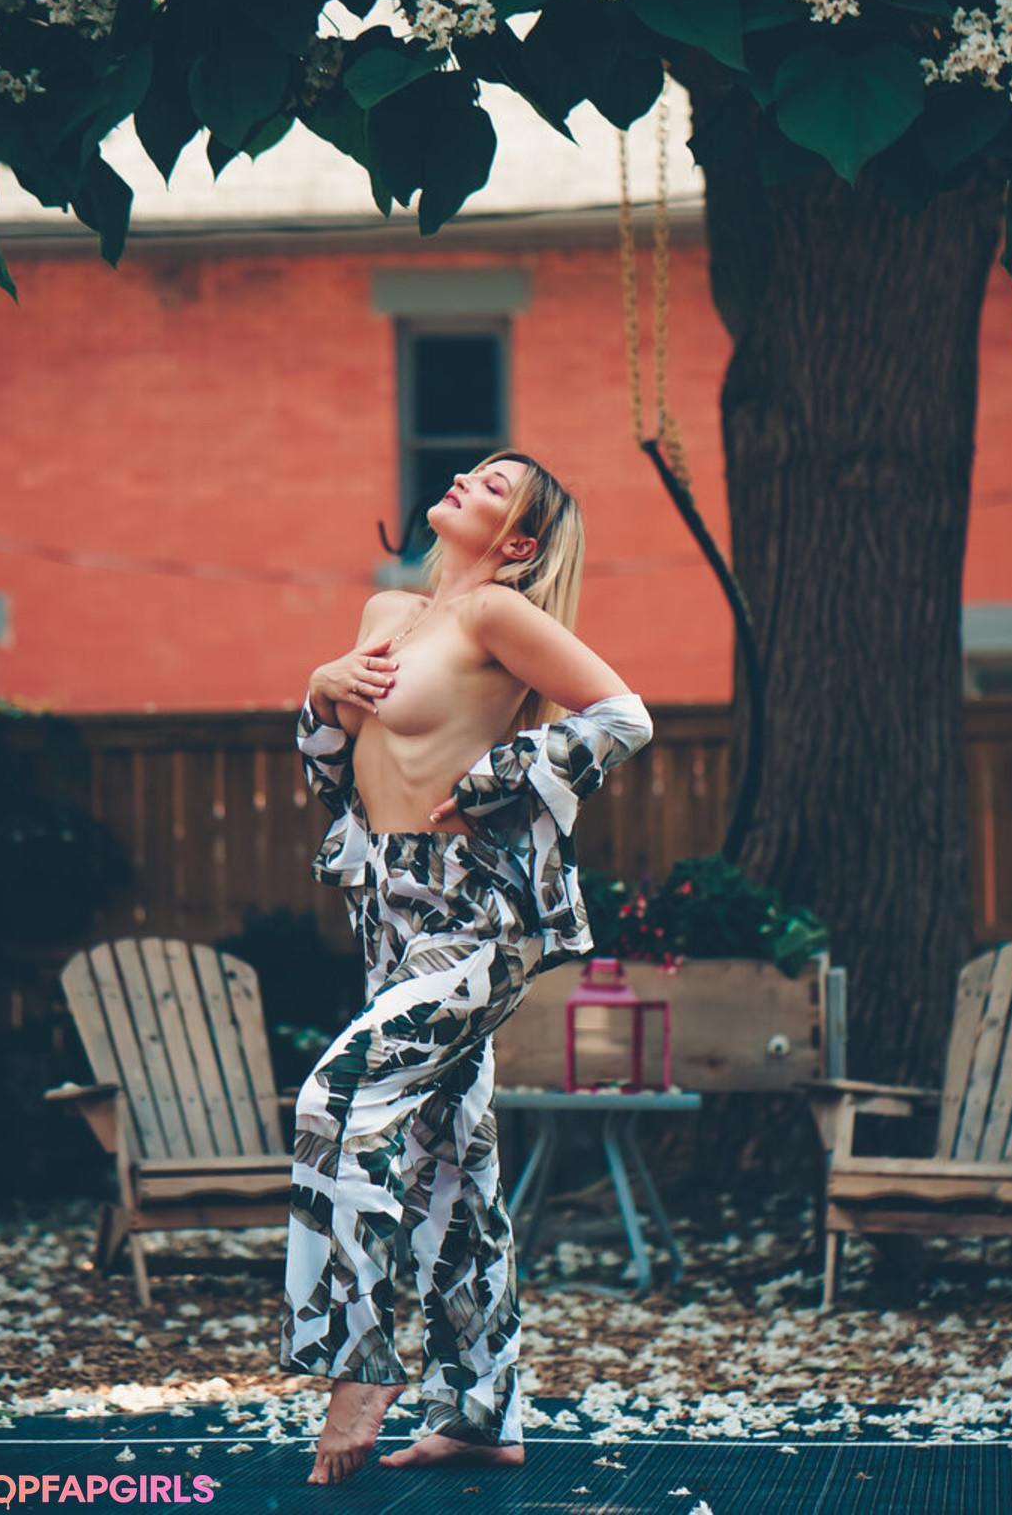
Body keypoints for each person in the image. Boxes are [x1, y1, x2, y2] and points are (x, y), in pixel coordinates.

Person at [280, 451, 652, 1485]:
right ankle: (484, 1415)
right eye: (474, 471)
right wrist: (319, 690)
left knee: (338, 1098)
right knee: (452, 1160)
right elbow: (340, 773)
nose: (467, 481)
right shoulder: (389, 611)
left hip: (476, 916)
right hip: (387, 912)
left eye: (496, 488)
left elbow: (623, 716)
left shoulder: (496, 612)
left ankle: (358, 1366)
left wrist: (500, 776)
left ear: (519, 542)